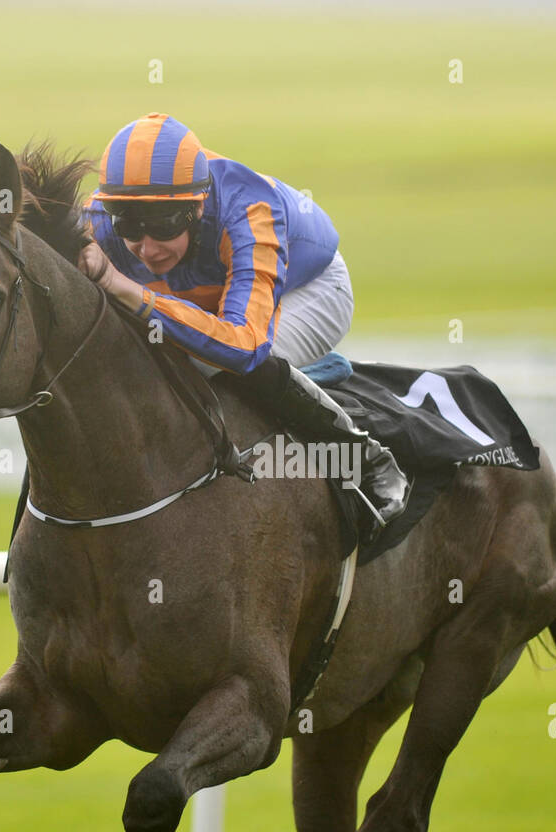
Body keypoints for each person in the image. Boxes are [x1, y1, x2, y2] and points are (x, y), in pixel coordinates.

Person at [76, 112, 409, 531]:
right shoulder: (99, 220)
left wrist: (128, 290)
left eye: (162, 226)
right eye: (129, 226)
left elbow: (243, 345)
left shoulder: (249, 209)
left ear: (196, 209)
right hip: (208, 296)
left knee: (212, 366)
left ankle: (368, 461)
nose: (146, 248)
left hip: (309, 289)